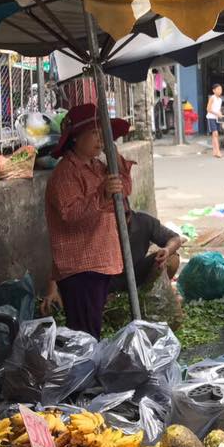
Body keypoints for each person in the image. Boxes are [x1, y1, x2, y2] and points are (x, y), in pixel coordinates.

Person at [42, 104, 133, 339]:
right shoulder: (65, 174)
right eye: (95, 133)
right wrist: (100, 195)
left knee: (91, 331)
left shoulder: (98, 166)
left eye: (104, 133)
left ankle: (89, 371)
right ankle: (84, 374)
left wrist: (115, 156)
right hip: (80, 266)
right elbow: (70, 215)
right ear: (75, 138)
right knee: (85, 335)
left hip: (102, 260)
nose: (101, 139)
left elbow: (124, 190)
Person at [206, 83, 224, 158]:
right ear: (214, 90)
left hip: (217, 118)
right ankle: (218, 152)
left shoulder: (220, 99)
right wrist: (217, 113)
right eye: (218, 89)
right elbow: (208, 109)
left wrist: (221, 115)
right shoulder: (212, 98)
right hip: (211, 118)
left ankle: (214, 151)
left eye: (221, 89)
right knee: (215, 133)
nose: (220, 91)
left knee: (215, 135)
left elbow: (218, 109)